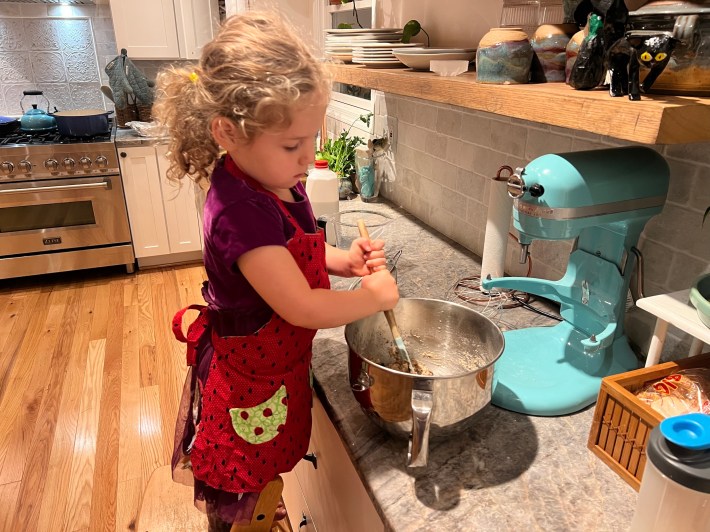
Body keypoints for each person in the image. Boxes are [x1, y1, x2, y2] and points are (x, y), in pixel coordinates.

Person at [152, 11, 399, 531]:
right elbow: (301, 304)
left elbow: (293, 252)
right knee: (241, 486)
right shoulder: (238, 211)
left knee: (264, 478)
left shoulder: (274, 176)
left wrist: (343, 261)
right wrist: (371, 296)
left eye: (313, 138)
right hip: (249, 383)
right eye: (293, 145)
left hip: (277, 371)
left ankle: (264, 507)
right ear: (227, 133)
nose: (308, 157)